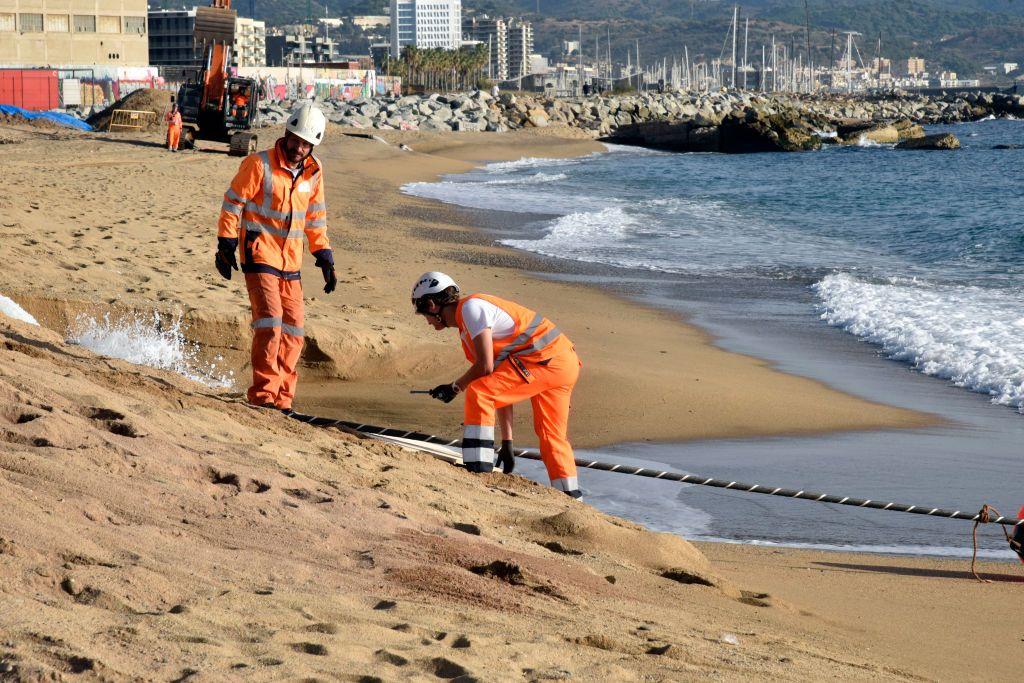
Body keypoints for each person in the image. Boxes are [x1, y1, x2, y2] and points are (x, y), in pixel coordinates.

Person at [411, 272, 583, 499]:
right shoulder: (470, 322)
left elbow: (485, 368)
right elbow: (500, 386)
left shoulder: (471, 309)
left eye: (424, 314)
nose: (427, 321)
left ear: (432, 305)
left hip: (545, 361)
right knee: (552, 436)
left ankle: (477, 467)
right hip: (564, 363)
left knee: (478, 391)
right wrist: (507, 442)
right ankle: (570, 497)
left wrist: (454, 387)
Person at [215, 102, 337, 411]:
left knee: (294, 331)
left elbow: (315, 217)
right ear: (286, 133)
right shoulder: (259, 165)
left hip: (291, 263)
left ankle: (283, 399)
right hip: (259, 255)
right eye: (295, 139)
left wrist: (324, 255)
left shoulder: (315, 171)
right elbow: (233, 204)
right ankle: (263, 396)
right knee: (271, 323)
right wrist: (226, 243)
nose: (298, 147)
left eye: (305, 143)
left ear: (313, 145)